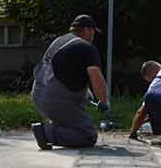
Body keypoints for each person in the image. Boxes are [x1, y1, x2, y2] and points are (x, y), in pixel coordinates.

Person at [31, 14, 110, 151]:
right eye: (93, 33)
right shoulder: (86, 48)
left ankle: (54, 127)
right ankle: (46, 132)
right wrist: (103, 101)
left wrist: (87, 94)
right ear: (87, 30)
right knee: (88, 135)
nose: (93, 37)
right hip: (57, 100)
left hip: (39, 95)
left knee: (73, 125)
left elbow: (62, 72)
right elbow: (96, 78)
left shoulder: (59, 42)